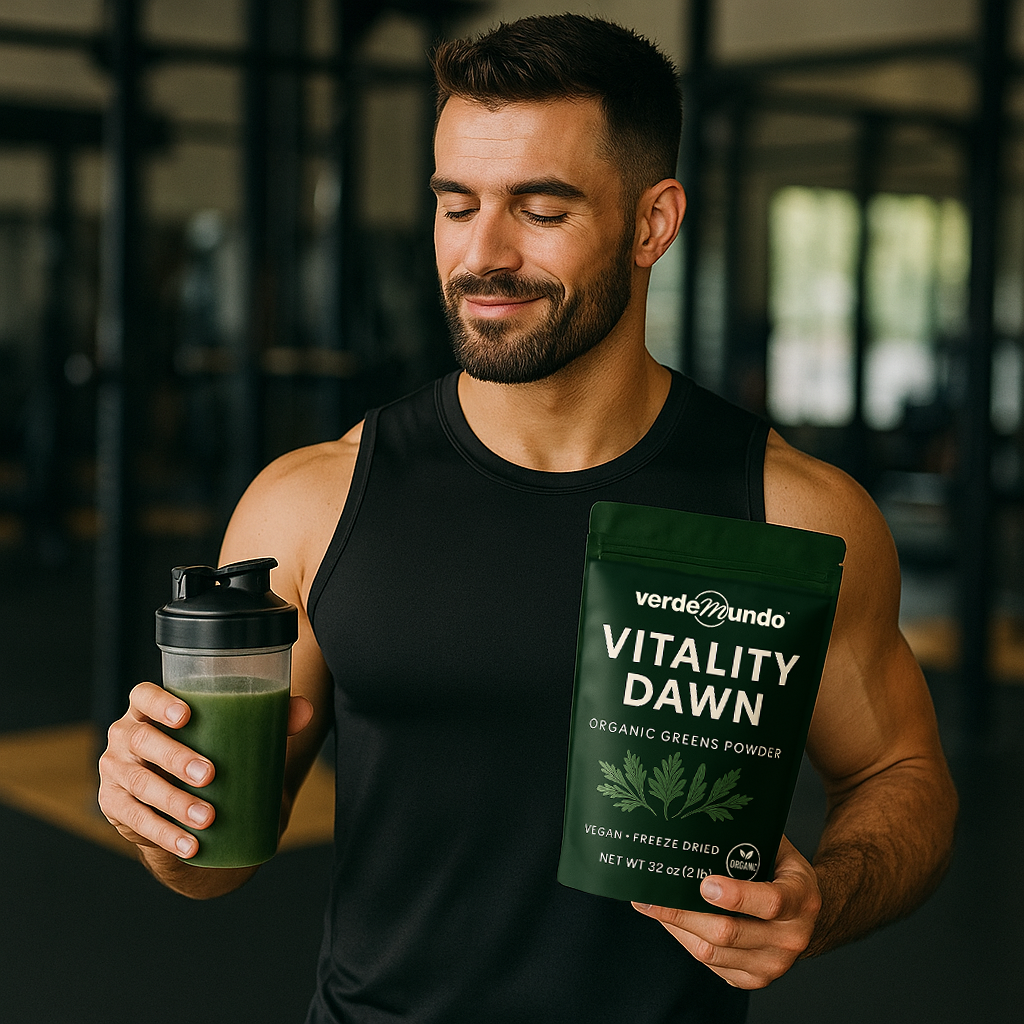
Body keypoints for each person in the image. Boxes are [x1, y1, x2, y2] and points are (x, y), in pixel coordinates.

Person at [98, 14, 958, 1023]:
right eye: (455, 205)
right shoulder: (310, 503)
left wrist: (821, 899)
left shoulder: (793, 510)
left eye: (539, 210)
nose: (482, 255)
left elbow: (902, 775)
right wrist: (160, 808)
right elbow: (211, 865)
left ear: (652, 222)